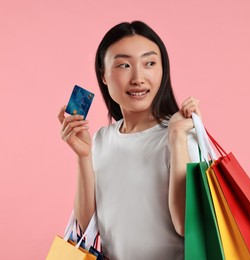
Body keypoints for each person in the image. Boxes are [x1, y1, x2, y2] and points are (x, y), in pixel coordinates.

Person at [58, 21, 200, 260]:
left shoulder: (182, 135)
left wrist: (176, 138)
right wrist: (83, 156)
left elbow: (188, 226)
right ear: (103, 75)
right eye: (124, 65)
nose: (138, 78)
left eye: (150, 64)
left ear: (162, 70)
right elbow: (87, 227)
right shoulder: (102, 140)